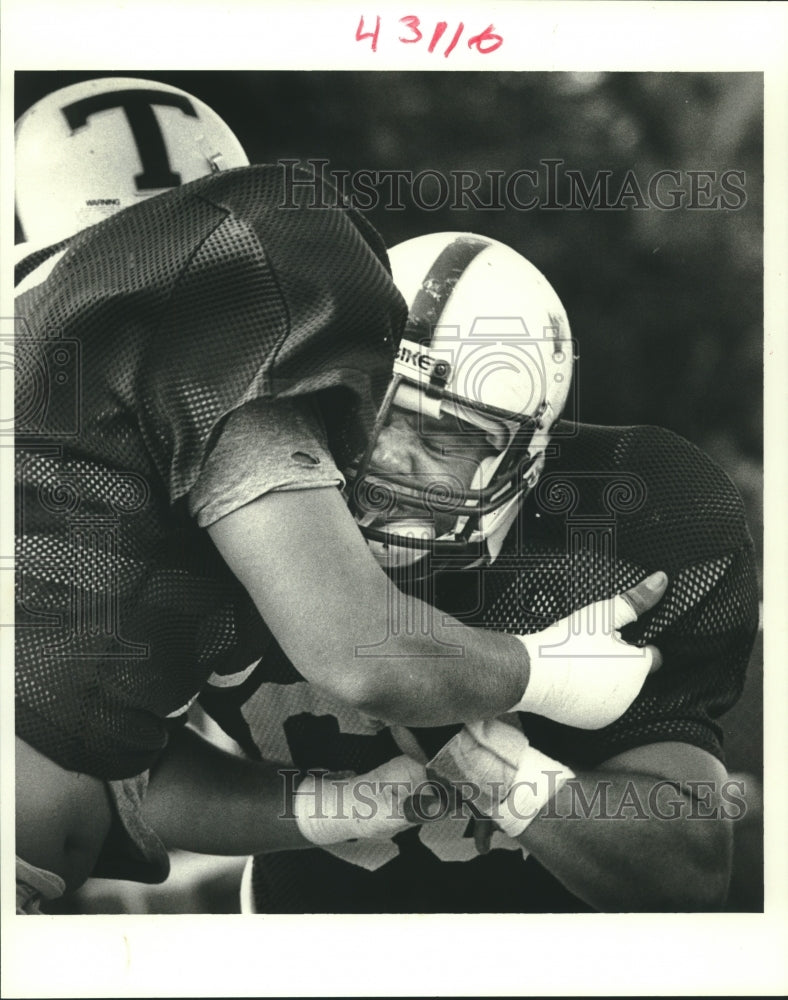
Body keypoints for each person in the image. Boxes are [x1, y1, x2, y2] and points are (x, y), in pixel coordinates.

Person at [14, 80, 661, 912]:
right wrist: (553, 674)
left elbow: (112, 763)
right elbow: (362, 654)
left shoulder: (50, 395)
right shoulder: (196, 341)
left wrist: (341, 806)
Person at [219, 232, 760, 913]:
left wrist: (496, 767)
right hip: (305, 940)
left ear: (523, 467)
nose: (386, 460)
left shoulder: (612, 553)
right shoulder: (231, 495)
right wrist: (317, 809)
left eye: (442, 434)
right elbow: (111, 783)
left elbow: (687, 868)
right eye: (361, 412)